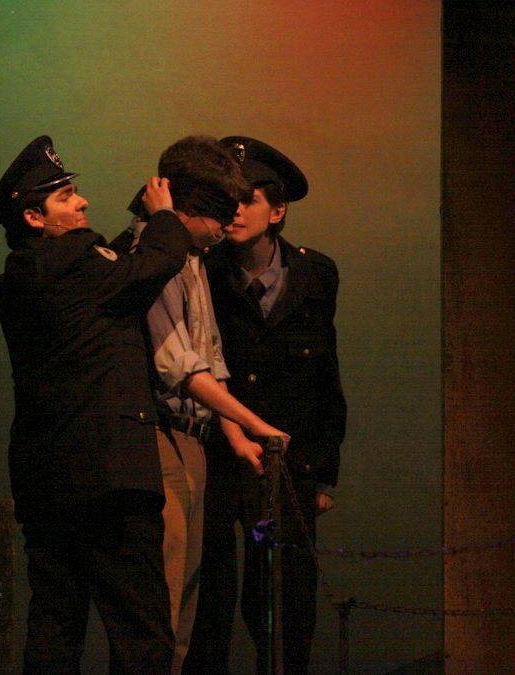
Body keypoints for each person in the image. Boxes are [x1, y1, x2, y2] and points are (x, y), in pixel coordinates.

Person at [0, 135, 192, 674]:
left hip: (46, 480)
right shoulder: (77, 258)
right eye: (66, 196)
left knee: (55, 628)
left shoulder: (16, 278)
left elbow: (105, 282)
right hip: (109, 477)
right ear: (34, 217)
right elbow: (154, 264)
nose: (82, 202)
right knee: (141, 633)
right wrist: (163, 216)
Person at [113, 135, 289, 674]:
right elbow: (178, 366)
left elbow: (209, 353)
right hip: (158, 437)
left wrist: (235, 435)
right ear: (187, 206)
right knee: (162, 601)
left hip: (193, 440)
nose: (225, 227)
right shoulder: (153, 257)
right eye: (218, 213)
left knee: (186, 599)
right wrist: (255, 422)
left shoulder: (194, 259)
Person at [185, 136, 347, 674]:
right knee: (209, 596)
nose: (233, 211)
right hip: (215, 452)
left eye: (247, 200)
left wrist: (322, 473)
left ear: (277, 211)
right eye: (226, 199)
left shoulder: (314, 273)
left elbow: (324, 375)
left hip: (285, 457)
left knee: (285, 599)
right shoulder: (200, 269)